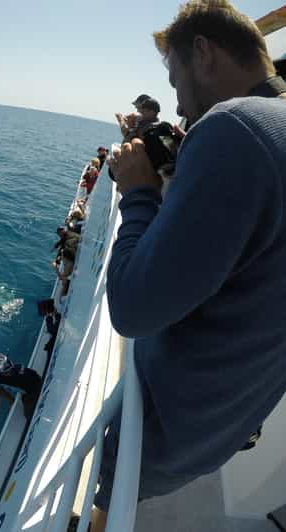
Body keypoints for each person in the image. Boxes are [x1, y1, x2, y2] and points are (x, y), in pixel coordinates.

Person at [92, 2, 286, 531]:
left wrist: (137, 192)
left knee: (101, 511)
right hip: (226, 425)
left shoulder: (236, 126)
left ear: (203, 53)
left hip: (159, 430)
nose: (176, 102)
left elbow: (132, 308)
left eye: (174, 77)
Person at [0, 342, 41, 419]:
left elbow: (0, 390)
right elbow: (9, 371)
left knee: (27, 416)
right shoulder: (0, 355)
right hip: (34, 375)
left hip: (30, 390)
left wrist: (11, 400)